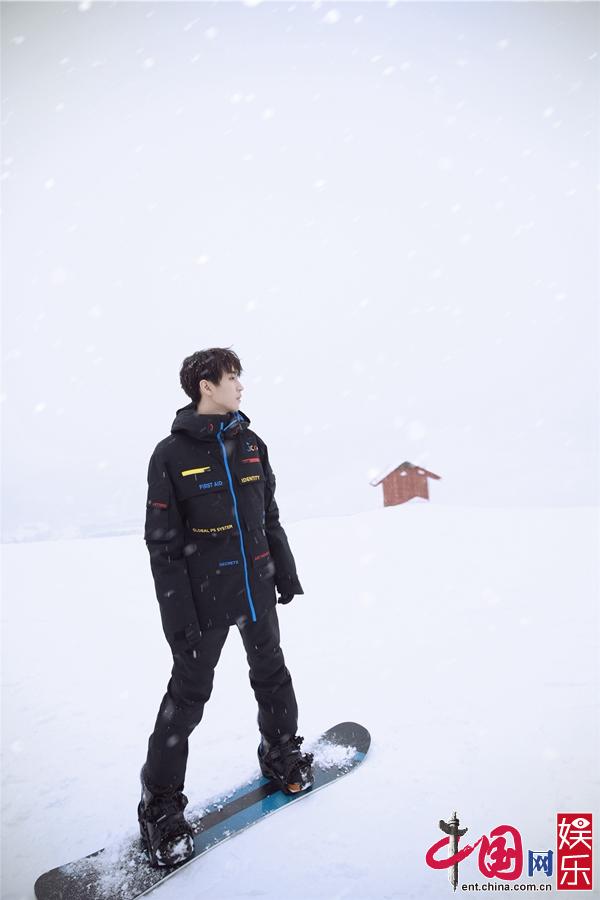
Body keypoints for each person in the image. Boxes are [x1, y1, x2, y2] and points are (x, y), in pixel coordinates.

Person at [138, 347, 313, 868]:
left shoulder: (252, 444)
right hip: (203, 600)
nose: (240, 385)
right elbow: (163, 546)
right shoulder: (170, 455)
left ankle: (279, 750)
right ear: (205, 386)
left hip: (257, 587)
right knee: (188, 697)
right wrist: (177, 617)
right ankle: (160, 804)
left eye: (239, 376)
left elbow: (268, 515)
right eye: (231, 376)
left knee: (272, 673)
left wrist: (284, 570)